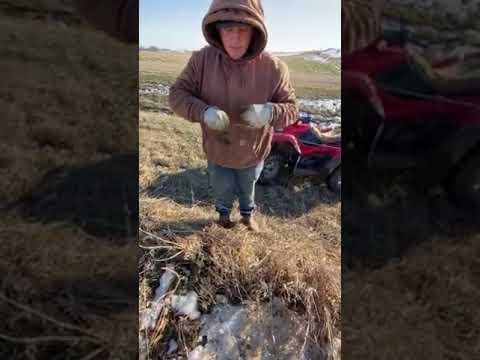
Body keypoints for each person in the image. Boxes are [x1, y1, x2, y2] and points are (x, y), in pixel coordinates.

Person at [169, 0, 298, 231]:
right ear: (216, 29)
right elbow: (177, 95)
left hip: (253, 151)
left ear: (256, 31)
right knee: (222, 188)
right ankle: (223, 217)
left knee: (248, 187)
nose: (235, 38)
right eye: (228, 29)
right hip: (218, 149)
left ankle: (248, 216)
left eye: (243, 29)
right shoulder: (201, 61)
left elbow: (292, 109)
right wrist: (203, 111)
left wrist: (270, 112)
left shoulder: (275, 68)